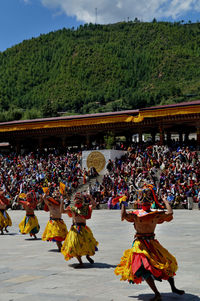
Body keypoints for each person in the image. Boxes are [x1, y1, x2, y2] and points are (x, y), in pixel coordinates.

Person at [114, 187, 184, 301]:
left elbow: (170, 213)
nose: (145, 202)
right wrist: (123, 203)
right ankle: (157, 293)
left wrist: (165, 200)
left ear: (151, 201)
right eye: (142, 200)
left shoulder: (155, 214)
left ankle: (173, 287)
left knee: (165, 263)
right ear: (139, 202)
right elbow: (123, 216)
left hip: (152, 242)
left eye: (147, 200)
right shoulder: (136, 214)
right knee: (143, 268)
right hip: (139, 244)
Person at [61, 192, 98, 267]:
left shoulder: (85, 208)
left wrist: (90, 197)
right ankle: (80, 262)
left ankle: (88, 256)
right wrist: (62, 202)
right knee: (74, 246)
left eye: (79, 200)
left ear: (82, 201)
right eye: (76, 200)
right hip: (75, 229)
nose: (77, 201)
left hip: (84, 229)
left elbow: (94, 205)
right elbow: (62, 211)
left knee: (88, 244)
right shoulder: (72, 209)